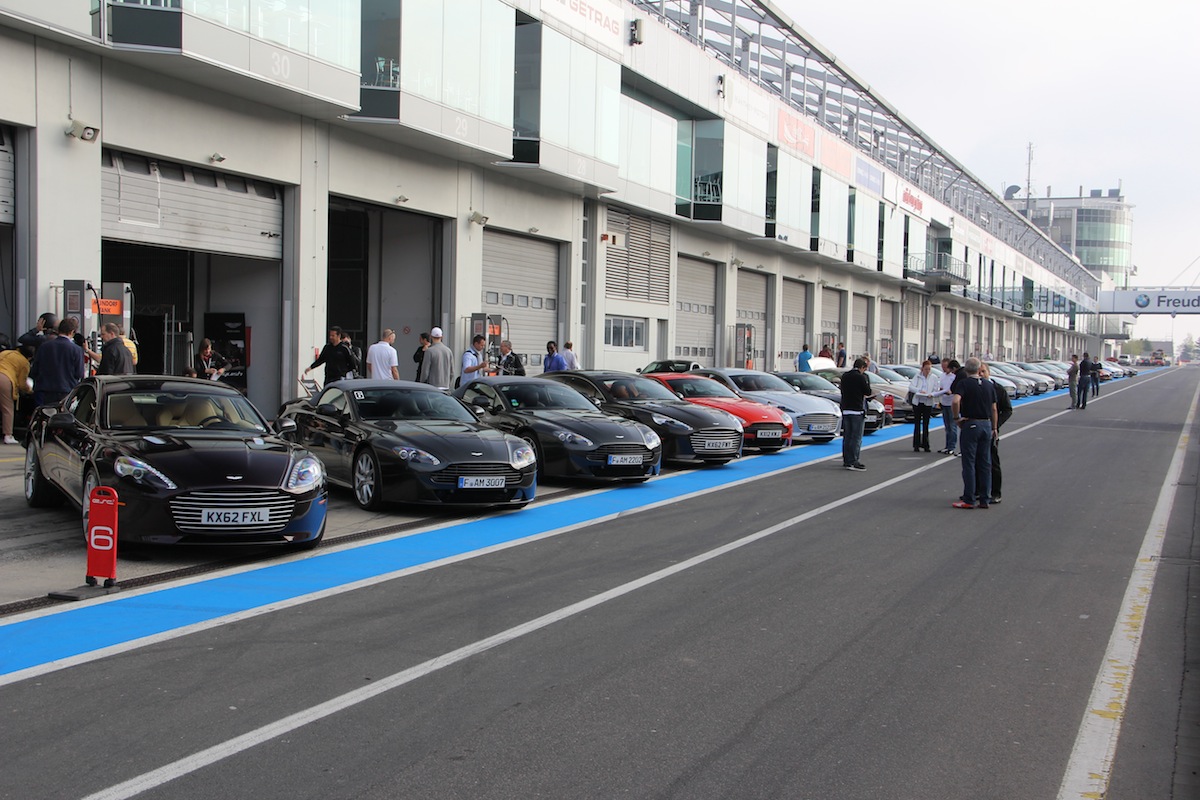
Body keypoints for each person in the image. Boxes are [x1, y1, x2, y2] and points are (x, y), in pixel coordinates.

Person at [951, 357, 998, 509]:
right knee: (985, 462)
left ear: (966, 369)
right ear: (979, 369)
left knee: (969, 462)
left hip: (971, 423)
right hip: (986, 423)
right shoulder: (989, 385)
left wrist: (956, 418)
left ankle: (969, 498)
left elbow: (955, 401)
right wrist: (994, 427)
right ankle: (985, 498)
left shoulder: (964, 384)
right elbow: (994, 408)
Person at [29, 318, 86, 406]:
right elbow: (79, 374)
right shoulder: (77, 350)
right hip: (66, 391)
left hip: (44, 390)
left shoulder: (44, 346)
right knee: (62, 417)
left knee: (44, 416)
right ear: (72, 332)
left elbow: (34, 370)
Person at [977, 362, 1011, 505]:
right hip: (976, 429)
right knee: (976, 462)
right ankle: (978, 490)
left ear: (988, 372)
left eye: (983, 371)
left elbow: (1007, 410)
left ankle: (996, 492)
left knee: (992, 462)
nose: (981, 374)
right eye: (978, 372)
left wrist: (995, 425)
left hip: (991, 430)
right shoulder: (975, 388)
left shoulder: (998, 389)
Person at [839, 357, 874, 471]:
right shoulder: (860, 377)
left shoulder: (845, 376)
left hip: (846, 409)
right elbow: (867, 391)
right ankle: (854, 460)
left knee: (847, 436)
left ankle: (847, 460)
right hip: (857, 409)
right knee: (856, 437)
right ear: (862, 367)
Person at [0, 346, 33, 444]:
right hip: (5, 378)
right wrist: (29, 390)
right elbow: (22, 383)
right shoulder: (24, 362)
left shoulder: (6, 352)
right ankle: (8, 435)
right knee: (7, 408)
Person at [907, 359, 939, 453]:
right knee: (917, 424)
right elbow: (911, 387)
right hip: (918, 401)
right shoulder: (917, 376)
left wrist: (931, 394)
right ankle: (916, 445)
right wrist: (919, 390)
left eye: (929, 369)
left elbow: (935, 389)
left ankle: (926, 444)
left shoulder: (933, 377)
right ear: (922, 369)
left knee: (926, 424)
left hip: (927, 402)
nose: (927, 371)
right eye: (926, 369)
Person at [937, 358, 960, 454]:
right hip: (944, 402)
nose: (944, 369)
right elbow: (941, 387)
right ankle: (947, 446)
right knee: (947, 426)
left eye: (945, 367)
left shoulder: (954, 376)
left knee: (952, 425)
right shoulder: (942, 375)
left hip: (951, 402)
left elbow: (954, 389)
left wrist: (950, 392)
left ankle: (952, 446)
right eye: (942, 367)